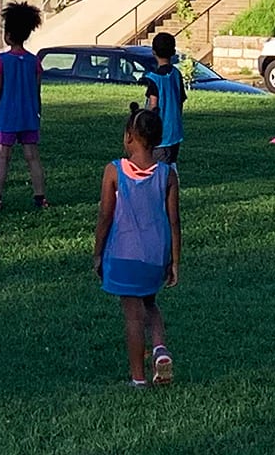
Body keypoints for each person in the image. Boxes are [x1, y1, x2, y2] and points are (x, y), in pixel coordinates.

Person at [94, 104, 180, 387]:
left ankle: (138, 377)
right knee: (150, 303)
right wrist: (175, 260)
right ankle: (159, 348)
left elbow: (105, 217)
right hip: (156, 255)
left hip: (123, 255)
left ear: (129, 136)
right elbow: (174, 221)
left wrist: (98, 253)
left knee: (132, 316)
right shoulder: (168, 174)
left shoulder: (114, 170)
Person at [0, 2, 47, 210]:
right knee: (33, 157)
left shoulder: (1, 61)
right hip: (29, 116)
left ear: (9, 35)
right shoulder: (34, 61)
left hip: (6, 117)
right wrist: (37, 113)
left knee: (3, 157)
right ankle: (40, 197)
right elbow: (37, 92)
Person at [139, 32, 189, 166]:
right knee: (171, 164)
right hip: (175, 131)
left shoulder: (153, 78)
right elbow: (180, 100)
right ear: (173, 52)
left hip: (160, 136)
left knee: (159, 170)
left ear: (153, 52)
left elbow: (153, 105)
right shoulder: (176, 74)